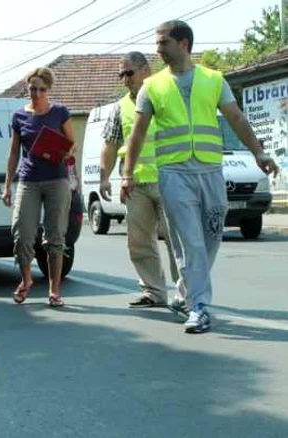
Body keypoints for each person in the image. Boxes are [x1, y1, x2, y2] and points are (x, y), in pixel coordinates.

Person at [122, 20, 279, 333]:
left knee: (210, 236)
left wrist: (259, 153)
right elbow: (137, 134)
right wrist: (127, 174)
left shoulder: (214, 79)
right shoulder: (152, 87)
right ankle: (199, 307)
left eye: (163, 42)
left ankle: (184, 291)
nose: (158, 50)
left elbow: (236, 118)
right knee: (189, 241)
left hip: (209, 170)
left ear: (183, 44)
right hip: (173, 173)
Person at [100, 51, 181, 309]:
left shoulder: (166, 95)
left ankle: (186, 294)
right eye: (121, 74)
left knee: (177, 241)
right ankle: (154, 292)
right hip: (134, 184)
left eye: (129, 73)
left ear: (146, 70)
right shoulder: (120, 107)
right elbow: (111, 145)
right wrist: (104, 178)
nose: (124, 79)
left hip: (168, 179)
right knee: (139, 241)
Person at [2, 67, 75, 308]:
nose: (36, 93)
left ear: (49, 90)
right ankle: (26, 281)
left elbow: (71, 145)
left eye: (41, 89)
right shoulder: (19, 116)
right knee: (21, 233)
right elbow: (13, 153)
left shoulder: (60, 112)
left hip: (57, 178)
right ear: (27, 88)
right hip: (28, 179)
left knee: (55, 236)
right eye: (33, 88)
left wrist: (65, 152)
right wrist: (7, 186)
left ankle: (54, 291)